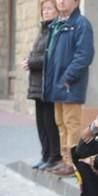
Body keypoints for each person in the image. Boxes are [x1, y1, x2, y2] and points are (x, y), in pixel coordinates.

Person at [44, 0, 94, 176]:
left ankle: (73, 163)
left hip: (69, 84)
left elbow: (84, 55)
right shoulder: (58, 24)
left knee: (71, 123)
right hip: (57, 84)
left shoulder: (81, 24)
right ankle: (65, 160)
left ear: (76, 2)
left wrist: (68, 77)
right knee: (61, 123)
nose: (61, 1)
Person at [23, 0, 61, 171]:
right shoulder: (43, 30)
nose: (46, 12)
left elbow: (51, 58)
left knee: (49, 122)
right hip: (37, 84)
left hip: (48, 84)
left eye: (49, 9)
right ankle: (45, 155)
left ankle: (54, 156)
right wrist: (29, 61)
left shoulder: (55, 30)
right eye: (44, 9)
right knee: (41, 123)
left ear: (57, 10)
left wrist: (30, 63)